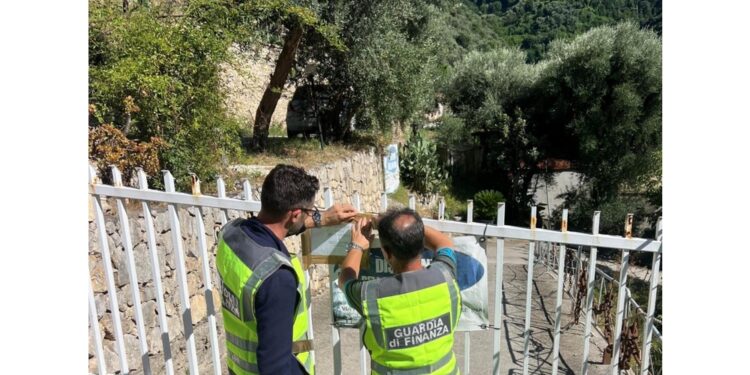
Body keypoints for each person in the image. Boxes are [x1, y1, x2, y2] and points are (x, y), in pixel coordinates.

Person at [217, 164, 357, 375]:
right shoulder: (277, 278)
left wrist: (321, 219)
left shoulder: (232, 235)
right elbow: (275, 366)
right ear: (295, 214)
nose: (312, 215)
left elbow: (273, 230)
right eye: (310, 212)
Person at [339, 207, 462, 374]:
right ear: (421, 245)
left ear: (387, 253)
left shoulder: (370, 294)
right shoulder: (445, 274)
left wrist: (357, 245)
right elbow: (444, 243)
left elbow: (345, 279)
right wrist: (410, 230)